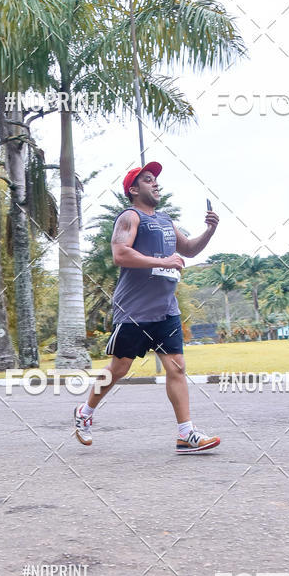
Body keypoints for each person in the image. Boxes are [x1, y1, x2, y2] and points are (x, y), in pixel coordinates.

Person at [74, 161, 221, 453]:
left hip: (166, 309)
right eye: (148, 180)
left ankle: (185, 433)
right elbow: (120, 253)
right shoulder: (130, 217)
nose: (156, 184)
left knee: (176, 368)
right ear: (133, 189)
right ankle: (85, 412)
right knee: (119, 368)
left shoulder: (165, 220)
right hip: (134, 311)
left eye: (156, 180)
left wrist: (210, 230)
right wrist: (162, 262)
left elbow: (189, 249)